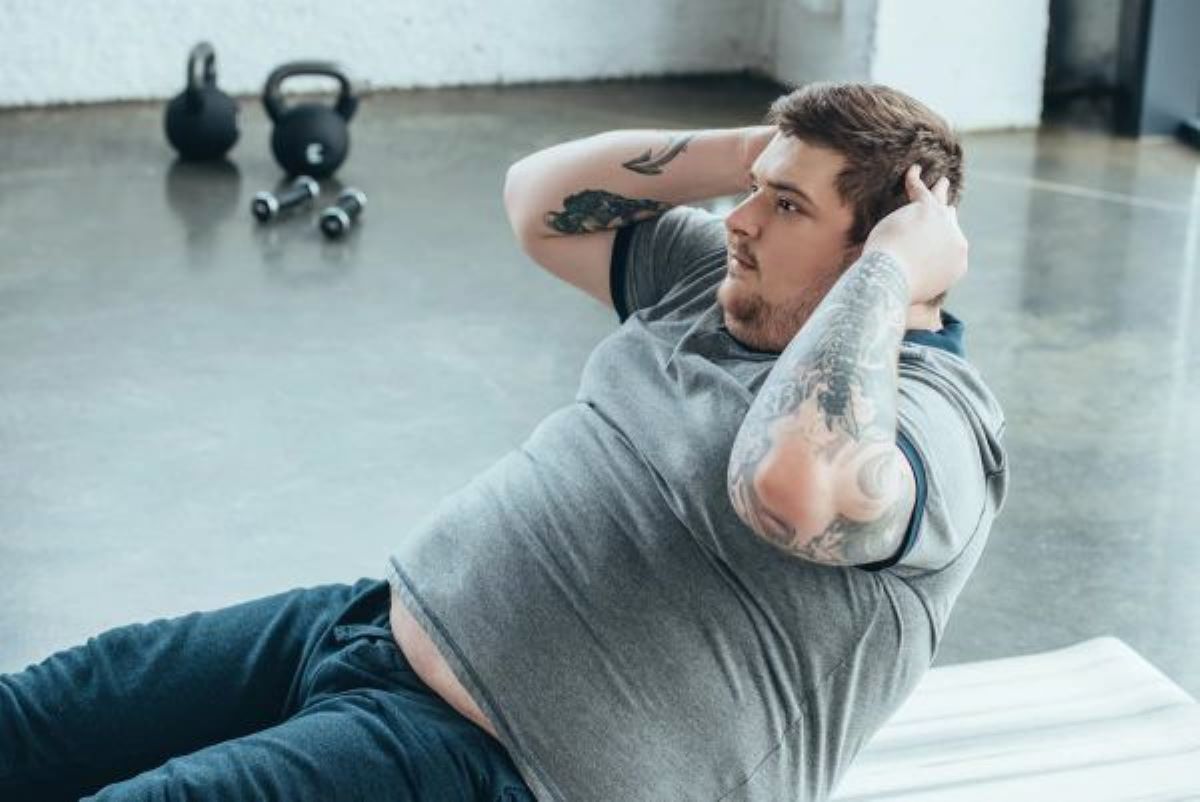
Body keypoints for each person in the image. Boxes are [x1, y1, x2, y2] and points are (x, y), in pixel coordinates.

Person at [1, 81, 1008, 801]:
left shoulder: (937, 423)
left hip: (490, 760)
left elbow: (787, 484)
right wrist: (762, 150)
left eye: (786, 206)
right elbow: (538, 202)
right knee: (30, 720)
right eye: (758, 189)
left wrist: (890, 268)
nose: (739, 221)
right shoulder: (719, 285)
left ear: (891, 251)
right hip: (364, 624)